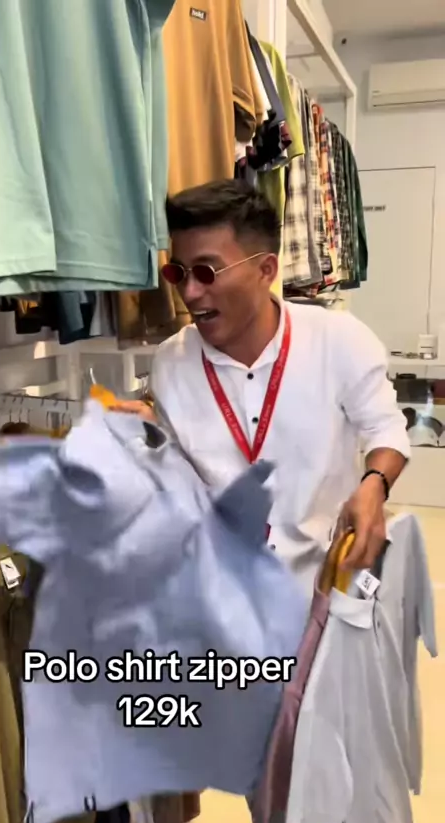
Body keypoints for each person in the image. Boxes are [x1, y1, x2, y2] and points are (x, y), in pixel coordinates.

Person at [127, 178, 409, 592]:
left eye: (206, 272)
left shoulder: (339, 340)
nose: (189, 291)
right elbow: (181, 473)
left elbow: (386, 428)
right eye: (177, 272)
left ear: (266, 270)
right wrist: (148, 441)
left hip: (323, 585)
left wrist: (374, 486)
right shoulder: (171, 361)